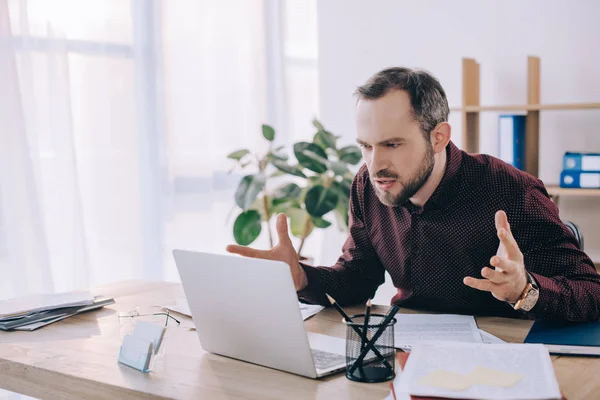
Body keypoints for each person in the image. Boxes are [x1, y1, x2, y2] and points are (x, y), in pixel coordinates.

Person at [227, 67, 600, 322]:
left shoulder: (509, 190)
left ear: (438, 137)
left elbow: (591, 293)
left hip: (499, 366)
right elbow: (357, 279)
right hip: (406, 353)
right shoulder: (368, 185)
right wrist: (302, 278)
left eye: (391, 144)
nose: (375, 165)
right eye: (366, 146)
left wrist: (525, 289)